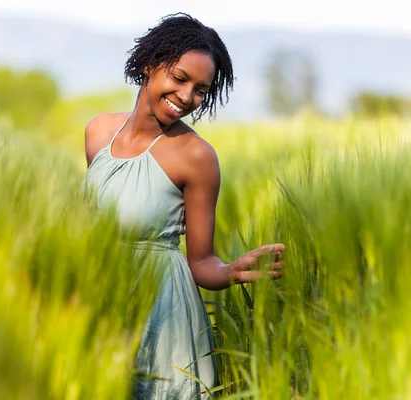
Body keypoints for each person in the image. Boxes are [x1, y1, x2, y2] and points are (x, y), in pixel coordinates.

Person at [82, 13, 285, 400]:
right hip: (101, 301)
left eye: (201, 90)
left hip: (163, 319)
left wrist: (232, 272)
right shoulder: (98, 133)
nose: (187, 97)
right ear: (149, 64)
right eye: (179, 78)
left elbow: (200, 262)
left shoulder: (197, 157)